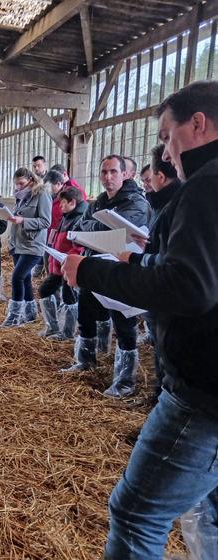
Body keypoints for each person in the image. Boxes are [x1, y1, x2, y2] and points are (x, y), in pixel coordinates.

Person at [61, 80, 218, 560]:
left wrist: (90, 270)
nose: (166, 151)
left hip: (203, 390)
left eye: (167, 135)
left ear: (198, 124)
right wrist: (148, 266)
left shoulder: (207, 185)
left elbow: (190, 288)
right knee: (208, 510)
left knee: (135, 514)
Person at [60, 155, 150, 400]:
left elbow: (122, 231)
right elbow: (80, 225)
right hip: (94, 264)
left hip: (120, 266)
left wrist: (95, 228)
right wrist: (98, 228)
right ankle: (85, 359)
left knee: (123, 320)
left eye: (113, 172)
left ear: (125, 174)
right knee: (86, 311)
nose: (108, 177)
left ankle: (124, 379)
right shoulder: (99, 200)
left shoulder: (136, 201)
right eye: (104, 172)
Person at [118, 144, 182, 401]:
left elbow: (171, 258)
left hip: (165, 293)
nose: (146, 184)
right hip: (160, 293)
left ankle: (162, 399)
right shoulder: (162, 206)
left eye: (149, 178)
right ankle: (158, 398)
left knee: (166, 353)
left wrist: (137, 257)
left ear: (161, 177)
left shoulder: (173, 207)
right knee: (159, 350)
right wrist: (149, 244)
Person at [0, 167, 52, 327]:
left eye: (21, 183)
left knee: (17, 277)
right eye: (16, 184)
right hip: (18, 243)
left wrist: (23, 221)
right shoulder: (21, 197)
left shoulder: (42, 194)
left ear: (31, 180)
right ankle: (30, 314)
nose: (18, 187)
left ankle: (14, 316)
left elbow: (46, 222)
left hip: (33, 244)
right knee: (25, 279)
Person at [38, 187, 86, 339]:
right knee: (44, 290)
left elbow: (79, 248)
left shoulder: (80, 219)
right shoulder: (67, 216)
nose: (60, 206)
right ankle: (52, 327)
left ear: (72, 202)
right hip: (58, 265)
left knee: (69, 298)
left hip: (68, 266)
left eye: (63, 203)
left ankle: (68, 332)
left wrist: (66, 258)